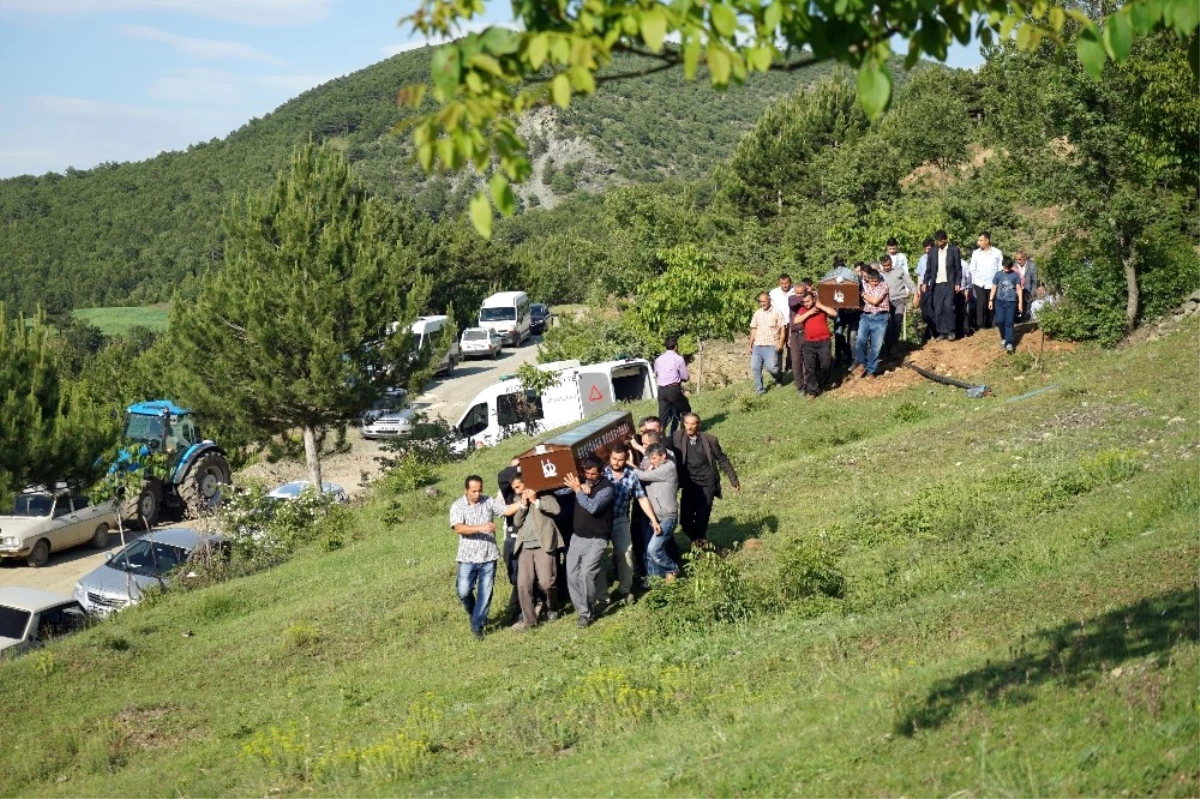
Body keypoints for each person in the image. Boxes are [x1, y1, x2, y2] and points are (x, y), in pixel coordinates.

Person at [449, 475, 515, 640]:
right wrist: (481, 527)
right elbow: (459, 528)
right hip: (467, 557)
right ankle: (475, 613)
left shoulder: (488, 501)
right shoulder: (458, 506)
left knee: (485, 594)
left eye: (480, 490)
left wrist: (523, 502)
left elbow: (506, 510)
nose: (478, 494)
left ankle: (477, 626)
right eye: (474, 491)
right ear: (466, 490)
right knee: (463, 591)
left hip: (488, 556)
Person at [603, 442, 660, 604]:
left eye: (620, 460)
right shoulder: (602, 473)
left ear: (625, 459)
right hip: (600, 520)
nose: (616, 463)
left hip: (620, 518)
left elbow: (641, 498)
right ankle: (602, 596)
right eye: (613, 459)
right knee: (598, 556)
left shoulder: (631, 475)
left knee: (626, 551)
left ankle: (625, 590)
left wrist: (653, 519)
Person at [671, 413, 740, 547]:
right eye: (687, 423)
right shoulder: (677, 438)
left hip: (707, 484)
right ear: (683, 424)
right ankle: (697, 541)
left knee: (702, 519)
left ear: (698, 424)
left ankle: (700, 545)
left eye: (693, 424)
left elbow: (722, 459)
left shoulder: (709, 440)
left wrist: (734, 480)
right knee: (685, 521)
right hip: (689, 485)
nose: (690, 427)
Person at [563, 457, 614, 627]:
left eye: (593, 473)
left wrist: (577, 490)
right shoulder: (581, 482)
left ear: (601, 471)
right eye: (587, 473)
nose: (590, 476)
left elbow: (593, 507)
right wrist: (574, 486)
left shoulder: (607, 488)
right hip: (577, 537)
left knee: (586, 574)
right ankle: (582, 610)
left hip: (597, 538)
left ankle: (586, 613)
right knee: (571, 574)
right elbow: (559, 492)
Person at [508, 476, 563, 630]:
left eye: (519, 486)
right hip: (525, 546)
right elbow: (517, 523)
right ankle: (529, 621)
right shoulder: (518, 500)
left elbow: (556, 509)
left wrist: (535, 501)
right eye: (515, 488)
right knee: (524, 584)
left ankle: (552, 607)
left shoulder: (544, 494)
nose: (518, 490)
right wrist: (523, 505)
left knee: (547, 582)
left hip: (543, 544)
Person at [635, 443, 680, 581]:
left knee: (654, 548)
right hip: (656, 518)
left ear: (663, 455)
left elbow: (641, 475)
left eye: (654, 458)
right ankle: (657, 580)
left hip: (667, 517)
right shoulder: (656, 468)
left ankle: (672, 568)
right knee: (653, 550)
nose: (652, 461)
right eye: (650, 459)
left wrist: (630, 464)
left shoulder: (668, 467)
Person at [921, 230, 965, 341]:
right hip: (937, 284)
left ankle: (951, 331)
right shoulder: (933, 251)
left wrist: (958, 283)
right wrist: (925, 282)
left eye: (940, 241)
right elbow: (929, 269)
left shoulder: (954, 250)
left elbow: (958, 269)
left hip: (949, 283)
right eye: (937, 241)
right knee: (938, 308)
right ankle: (942, 332)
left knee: (948, 306)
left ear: (945, 240)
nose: (938, 243)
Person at [793, 292, 835, 397]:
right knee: (809, 367)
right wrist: (810, 312)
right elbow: (796, 320)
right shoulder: (802, 310)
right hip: (809, 342)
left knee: (826, 365)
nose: (806, 303)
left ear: (814, 299)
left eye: (808, 301)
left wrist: (821, 306)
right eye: (804, 302)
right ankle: (813, 391)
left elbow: (834, 313)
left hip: (824, 340)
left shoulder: (821, 307)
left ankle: (821, 384)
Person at [854, 265, 890, 378]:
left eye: (876, 280)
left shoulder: (883, 285)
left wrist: (863, 294)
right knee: (860, 340)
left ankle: (871, 370)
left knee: (876, 345)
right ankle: (862, 363)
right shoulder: (864, 285)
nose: (874, 283)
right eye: (872, 280)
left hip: (880, 318)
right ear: (868, 279)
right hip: (866, 316)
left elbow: (875, 301)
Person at [749, 291, 786, 395]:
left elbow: (783, 328)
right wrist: (750, 344)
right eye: (760, 301)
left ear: (769, 300)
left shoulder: (777, 312)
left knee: (772, 369)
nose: (762, 303)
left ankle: (778, 378)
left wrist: (781, 343)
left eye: (764, 301)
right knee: (755, 367)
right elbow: (754, 329)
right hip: (758, 345)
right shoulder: (757, 313)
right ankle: (759, 390)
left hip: (771, 345)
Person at [653, 337, 691, 437]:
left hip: (661, 390)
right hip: (673, 389)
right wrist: (685, 378)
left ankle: (661, 437)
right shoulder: (678, 359)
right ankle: (686, 433)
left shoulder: (658, 360)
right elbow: (685, 376)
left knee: (663, 417)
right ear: (676, 346)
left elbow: (656, 374)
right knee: (685, 409)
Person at [967, 231, 1003, 334]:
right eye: (978, 240)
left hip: (992, 283)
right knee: (981, 302)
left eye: (981, 240)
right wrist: (974, 281)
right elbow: (972, 269)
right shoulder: (976, 253)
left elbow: (1000, 268)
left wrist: (998, 282)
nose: (979, 242)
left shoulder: (997, 253)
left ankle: (991, 324)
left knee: (991, 303)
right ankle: (980, 325)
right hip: (979, 283)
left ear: (987, 241)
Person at [879, 253, 915, 355]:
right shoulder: (879, 275)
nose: (886, 268)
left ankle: (894, 345)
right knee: (887, 324)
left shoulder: (899, 271)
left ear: (891, 263)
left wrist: (915, 294)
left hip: (899, 300)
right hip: (886, 302)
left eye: (888, 265)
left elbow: (910, 283)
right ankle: (887, 345)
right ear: (881, 265)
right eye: (884, 266)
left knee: (898, 320)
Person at [989, 255, 1024, 353]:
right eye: (1005, 266)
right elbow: (994, 287)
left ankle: (1009, 343)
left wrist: (1020, 303)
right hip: (999, 301)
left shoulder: (1015, 275)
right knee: (1000, 321)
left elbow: (1019, 289)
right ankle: (1004, 337)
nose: (1007, 269)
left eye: (1008, 267)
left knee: (1009, 322)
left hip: (1011, 301)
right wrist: (991, 300)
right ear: (1003, 265)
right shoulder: (998, 275)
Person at [787, 279, 815, 391]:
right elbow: (793, 303)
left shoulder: (809, 300)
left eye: (801, 293)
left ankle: (809, 383)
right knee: (796, 361)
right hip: (795, 334)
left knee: (807, 360)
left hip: (806, 332)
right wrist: (803, 298)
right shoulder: (792, 299)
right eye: (797, 293)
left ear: (805, 291)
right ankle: (800, 386)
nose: (799, 295)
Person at [768, 274, 796, 381]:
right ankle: (777, 371)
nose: (785, 285)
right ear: (779, 283)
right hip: (778, 325)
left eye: (787, 283)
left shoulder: (795, 291)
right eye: (782, 283)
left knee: (791, 347)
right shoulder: (773, 293)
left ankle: (789, 367)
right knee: (778, 348)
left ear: (790, 282)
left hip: (791, 323)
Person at [914, 238, 935, 342]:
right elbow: (919, 275)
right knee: (924, 313)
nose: (928, 250)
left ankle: (931, 333)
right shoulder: (922, 258)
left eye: (929, 248)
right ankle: (930, 330)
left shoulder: (936, 258)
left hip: (932, 286)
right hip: (923, 287)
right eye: (926, 249)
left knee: (932, 310)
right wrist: (918, 289)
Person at [1015, 250, 1038, 320]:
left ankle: (1027, 319)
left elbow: (1035, 280)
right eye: (1016, 259)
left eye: (1020, 259)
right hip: (1017, 290)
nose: (1018, 261)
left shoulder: (1032, 266)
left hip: (1028, 290)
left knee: (1027, 307)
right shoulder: (1014, 266)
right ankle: (1018, 319)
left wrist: (1033, 291)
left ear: (1024, 258)